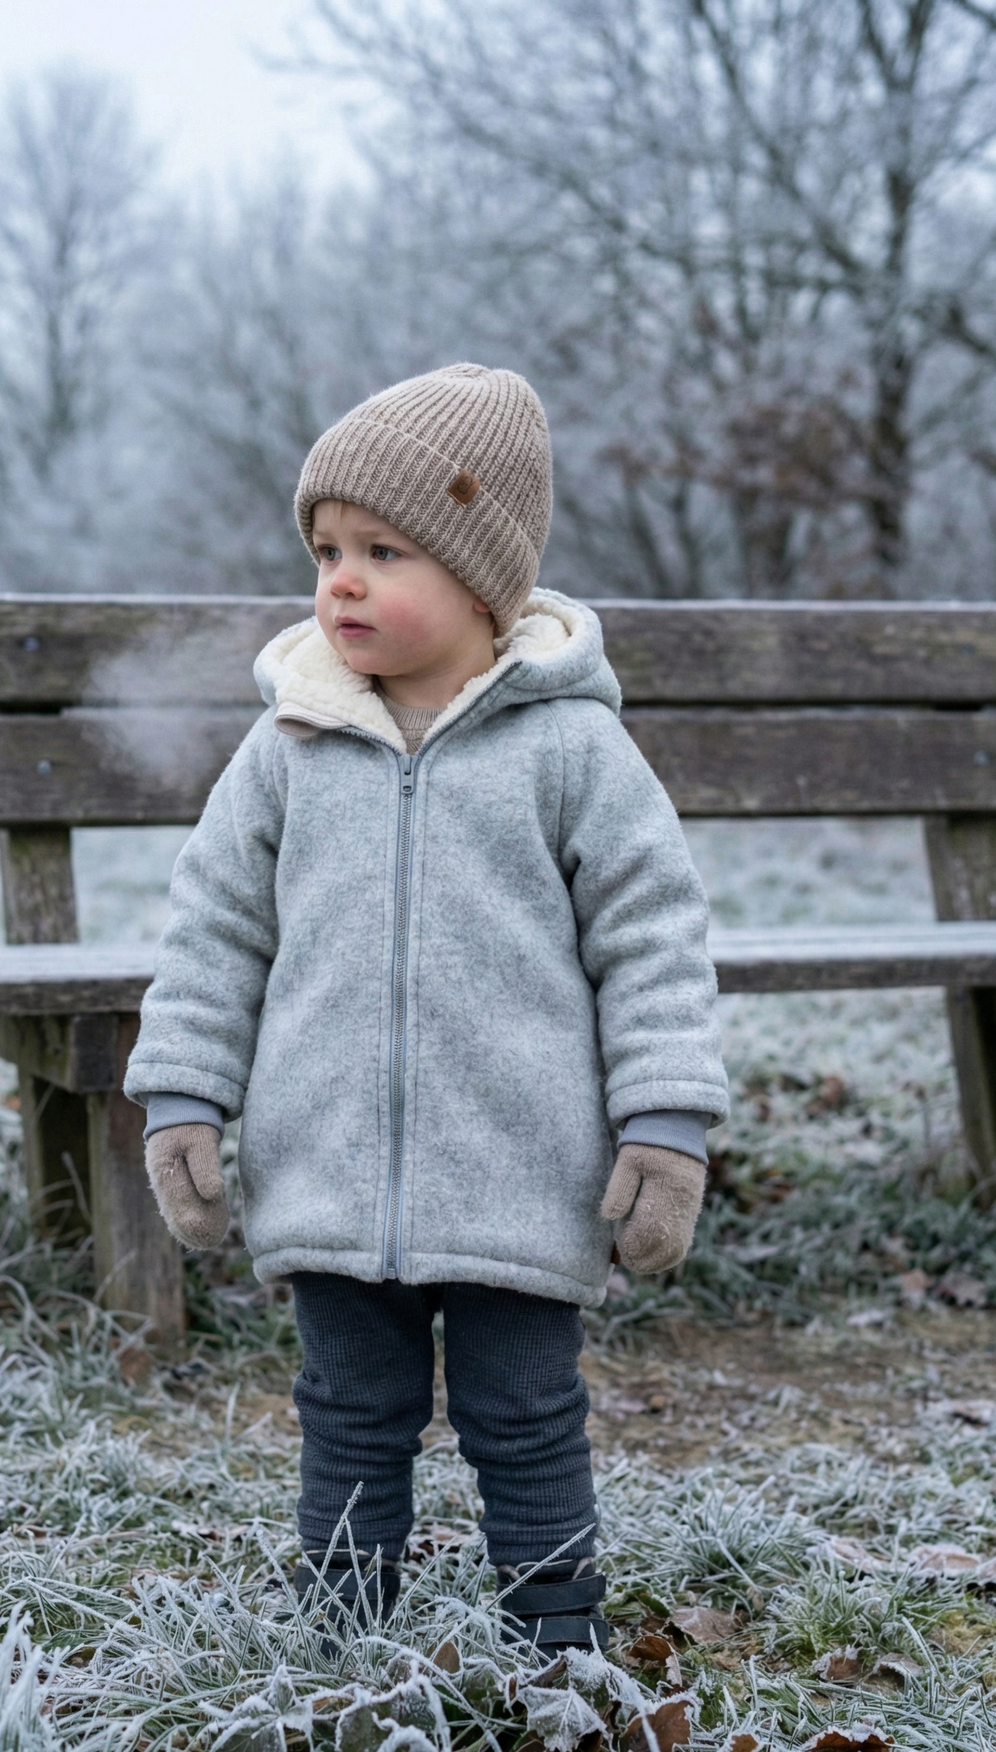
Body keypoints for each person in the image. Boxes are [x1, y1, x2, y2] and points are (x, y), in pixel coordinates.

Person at [124, 364, 728, 1652]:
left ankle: (556, 1645)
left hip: (522, 1167)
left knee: (525, 1415)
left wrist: (667, 1122)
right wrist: (183, 1092)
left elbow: (654, 938)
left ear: (482, 580)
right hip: (331, 1165)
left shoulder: (570, 750)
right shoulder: (289, 746)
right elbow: (215, 925)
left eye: (382, 551)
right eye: (327, 551)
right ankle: (343, 1636)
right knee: (349, 1413)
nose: (341, 580)